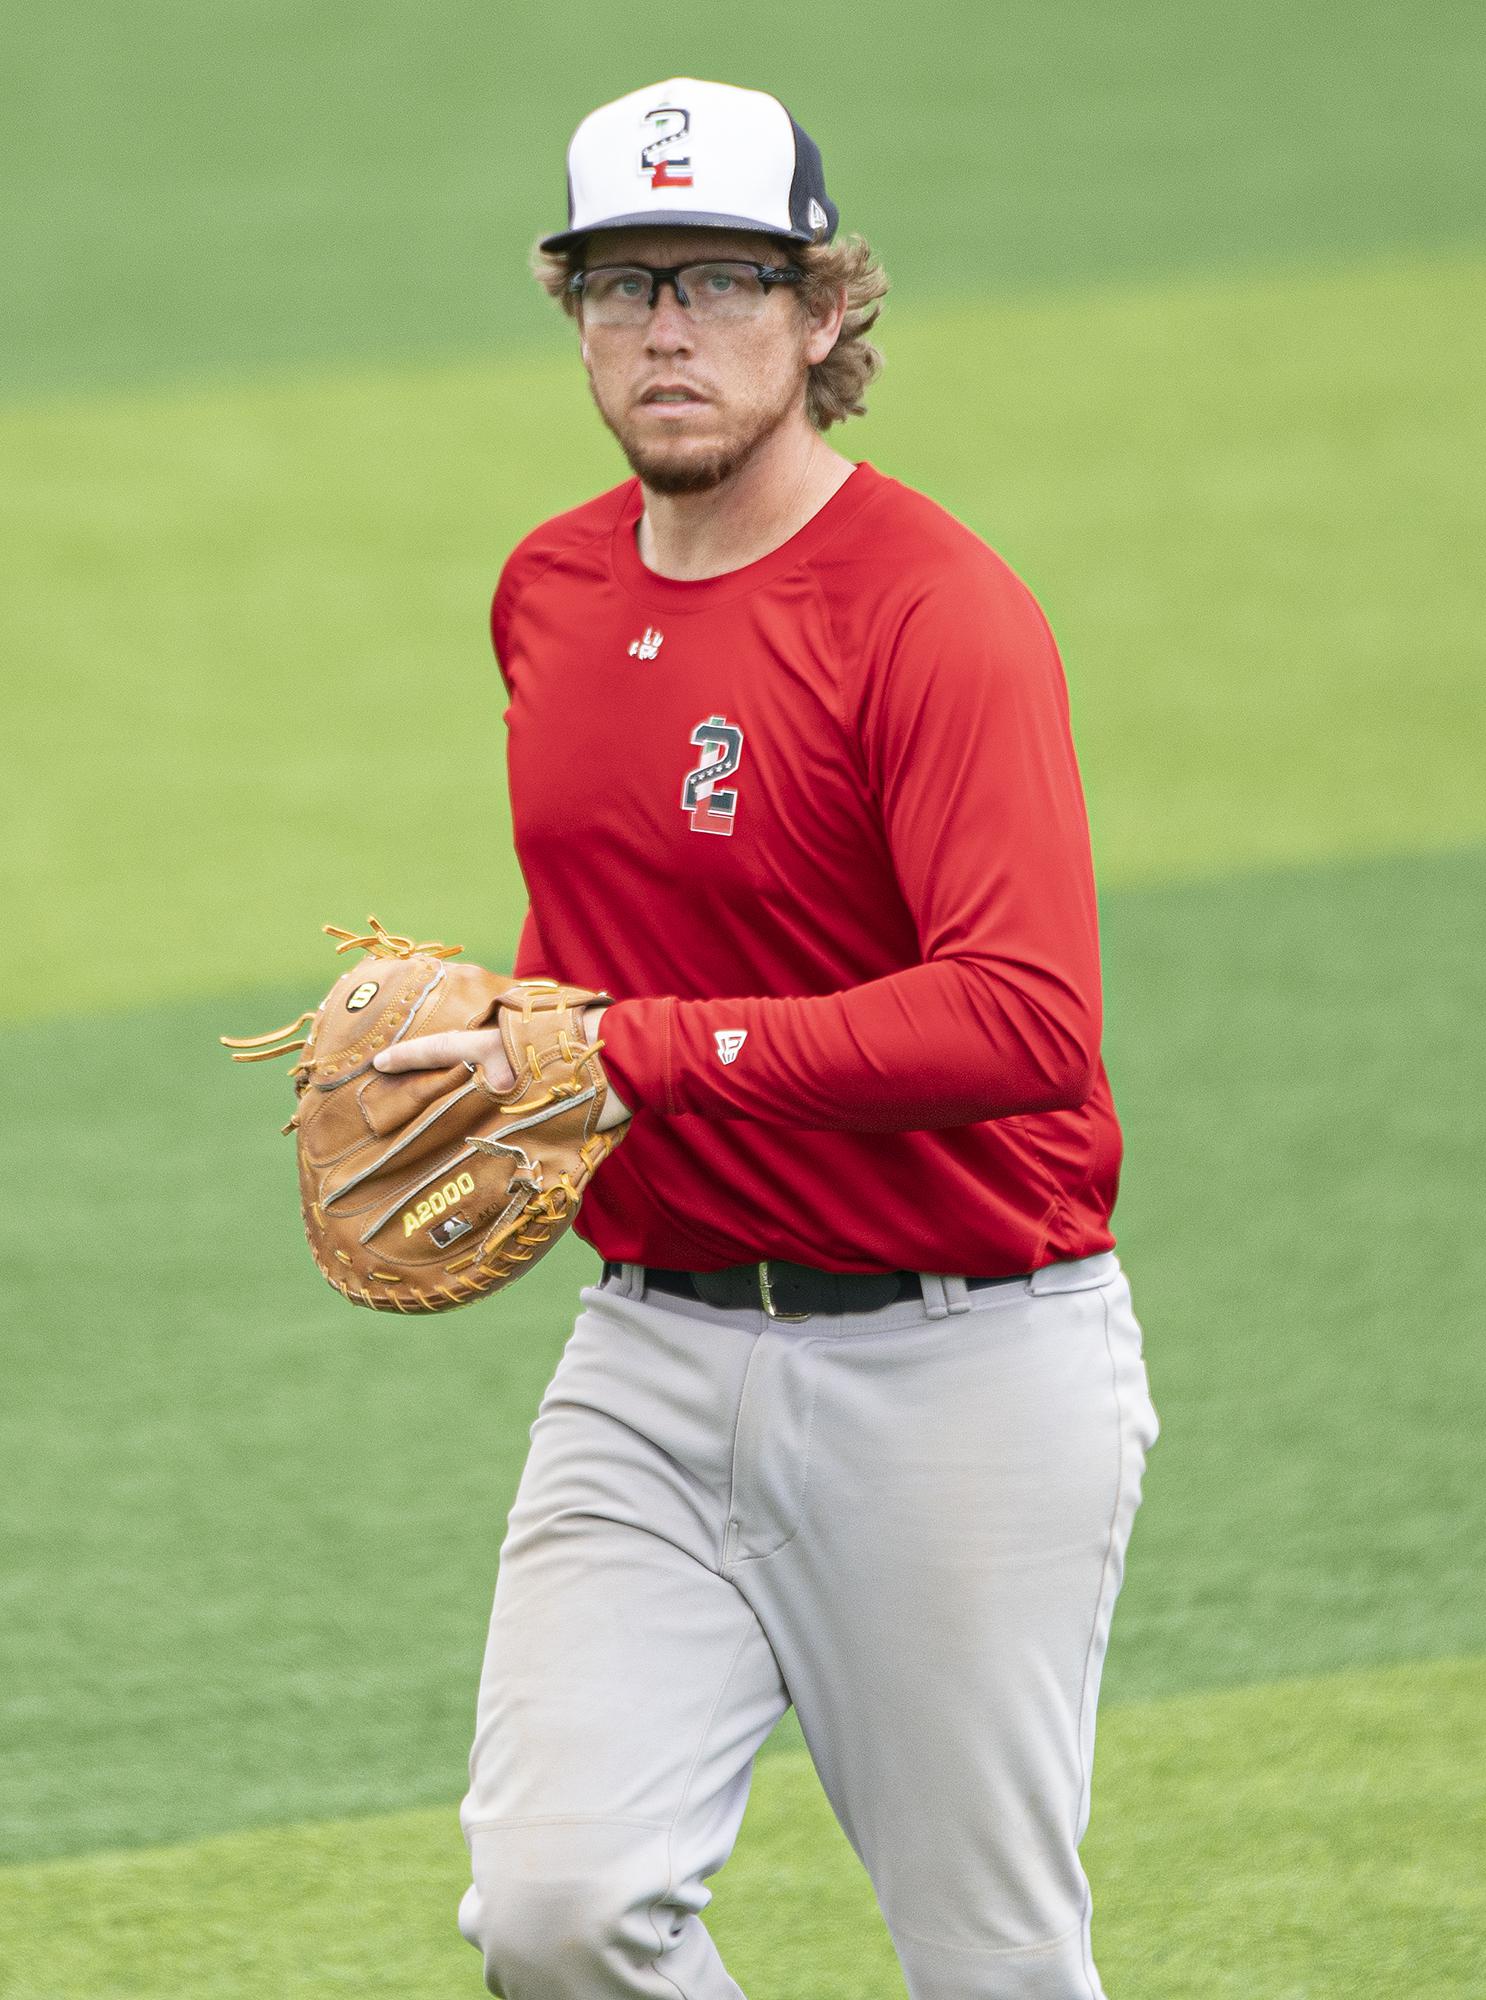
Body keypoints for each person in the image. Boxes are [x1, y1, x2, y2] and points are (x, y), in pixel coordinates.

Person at [374, 75, 1160, 2000]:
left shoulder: (934, 615)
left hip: (962, 1368)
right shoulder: (548, 594)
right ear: (569, 314)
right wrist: (492, 1053)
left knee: (989, 1965)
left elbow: (1023, 1020)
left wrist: (635, 1054)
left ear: (823, 313)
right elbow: (613, 947)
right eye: (620, 285)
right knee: (557, 1915)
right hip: (648, 1356)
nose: (666, 331)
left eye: (722, 280)